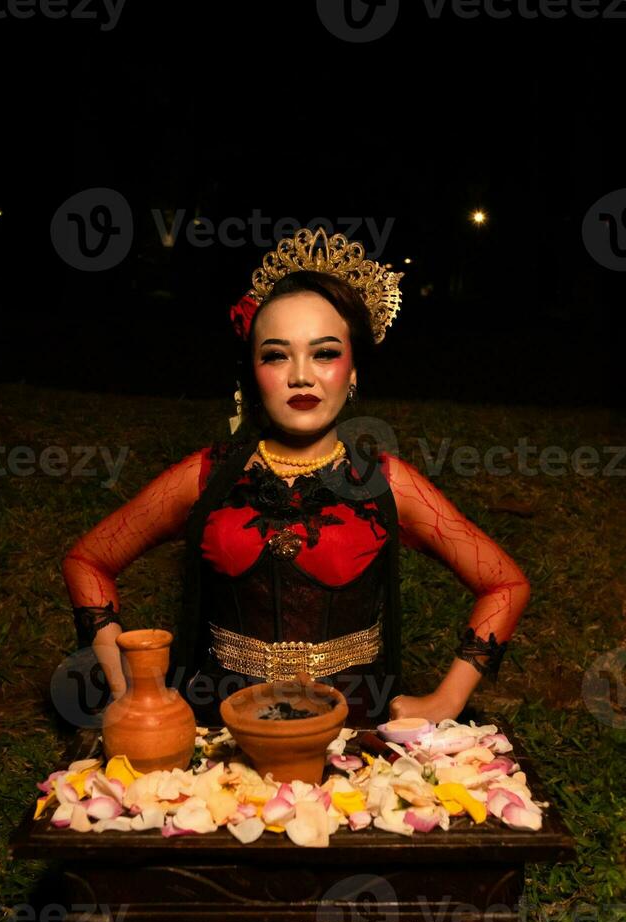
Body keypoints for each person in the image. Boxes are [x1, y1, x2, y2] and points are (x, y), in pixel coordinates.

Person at [61, 228, 530, 728]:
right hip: (219, 738)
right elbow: (88, 560)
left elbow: (504, 584)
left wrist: (445, 701)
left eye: (325, 353)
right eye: (276, 355)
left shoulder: (388, 484)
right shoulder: (205, 476)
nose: (300, 376)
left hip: (353, 740)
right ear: (252, 372)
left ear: (352, 372)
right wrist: (124, 684)